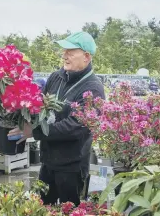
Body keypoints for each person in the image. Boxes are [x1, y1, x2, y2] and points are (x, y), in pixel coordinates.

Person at [8, 31, 105, 206]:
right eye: (64, 51)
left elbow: (75, 127)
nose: (65, 55)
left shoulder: (93, 88)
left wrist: (33, 132)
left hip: (72, 168)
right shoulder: (56, 77)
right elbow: (39, 107)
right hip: (48, 162)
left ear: (86, 56)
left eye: (70, 51)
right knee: (42, 212)